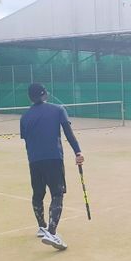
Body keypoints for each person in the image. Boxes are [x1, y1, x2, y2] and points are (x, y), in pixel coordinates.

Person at [20, 83, 84, 251]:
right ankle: (52, 232)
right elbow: (69, 134)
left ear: (30, 97)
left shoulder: (24, 117)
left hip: (34, 161)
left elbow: (27, 140)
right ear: (44, 94)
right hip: (53, 159)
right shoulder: (58, 110)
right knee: (57, 194)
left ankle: (42, 227)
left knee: (38, 194)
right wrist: (78, 152)